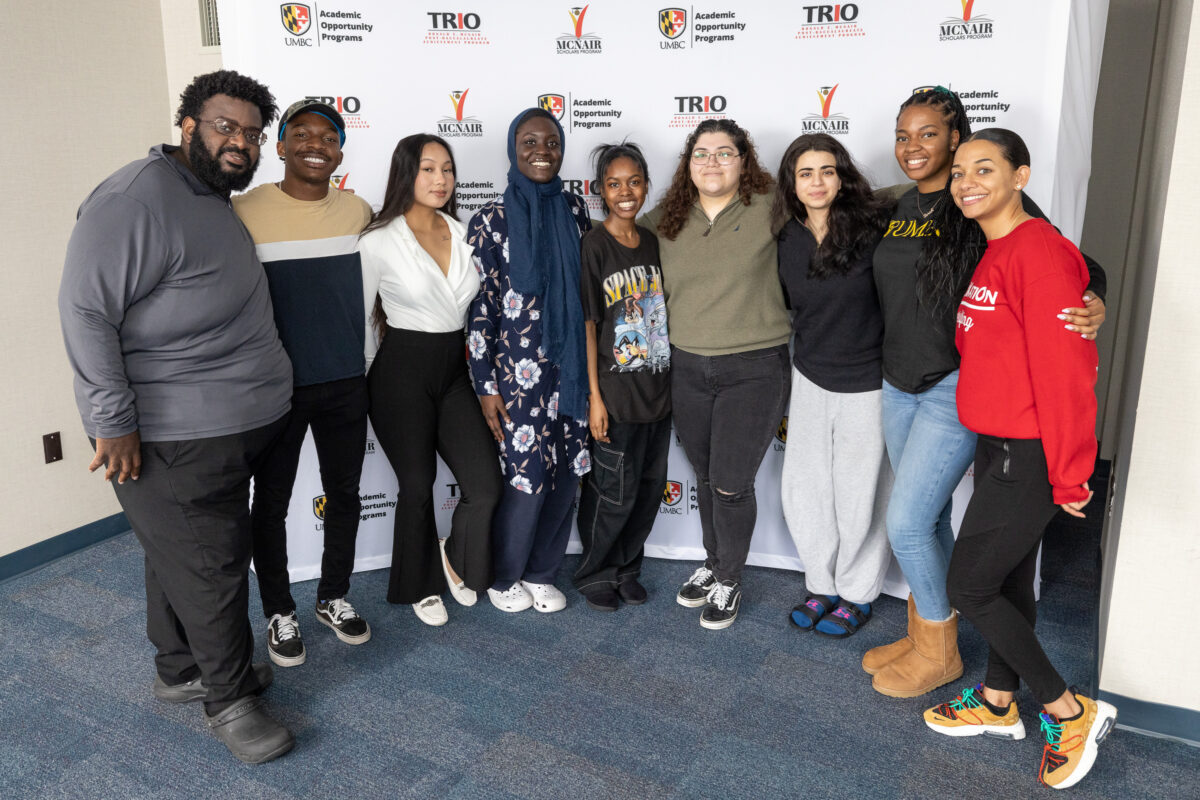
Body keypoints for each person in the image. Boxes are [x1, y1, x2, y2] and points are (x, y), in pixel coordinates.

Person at [58, 70, 295, 763]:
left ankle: (180, 668)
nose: (240, 143)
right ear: (187, 125)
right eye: (225, 126)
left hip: (237, 422)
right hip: (171, 436)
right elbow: (84, 312)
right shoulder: (135, 199)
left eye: (251, 133)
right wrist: (112, 423)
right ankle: (229, 702)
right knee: (212, 563)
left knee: (179, 555)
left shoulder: (211, 197)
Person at [863, 86, 1108, 698]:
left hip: (953, 387)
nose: (912, 146)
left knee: (909, 524)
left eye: (927, 134)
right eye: (903, 134)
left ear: (955, 136)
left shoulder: (981, 205)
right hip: (897, 384)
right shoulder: (897, 206)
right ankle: (928, 635)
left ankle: (941, 649)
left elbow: (1071, 265)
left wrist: (1092, 298)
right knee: (932, 520)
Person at [923, 128, 1117, 790]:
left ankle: (1067, 709)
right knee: (1004, 581)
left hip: (1031, 454)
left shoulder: (1037, 252)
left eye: (984, 169)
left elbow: (1068, 374)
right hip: (1001, 444)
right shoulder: (999, 247)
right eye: (958, 172)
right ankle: (998, 703)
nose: (966, 181)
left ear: (1021, 176)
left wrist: (1071, 472)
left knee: (969, 585)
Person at [235, 99, 373, 667]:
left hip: (345, 380)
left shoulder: (359, 210)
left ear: (340, 150)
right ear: (281, 145)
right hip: (276, 388)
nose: (317, 144)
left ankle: (333, 597)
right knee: (269, 502)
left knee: (344, 495)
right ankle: (278, 610)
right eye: (303, 134)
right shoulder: (244, 210)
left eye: (329, 136)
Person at [642, 119, 791, 630]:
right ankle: (712, 562)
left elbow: (849, 203)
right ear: (688, 163)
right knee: (705, 478)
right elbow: (617, 238)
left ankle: (730, 577)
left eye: (724, 152)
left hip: (754, 366)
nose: (712, 162)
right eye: (701, 153)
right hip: (685, 365)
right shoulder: (667, 216)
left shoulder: (773, 204)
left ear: (744, 159)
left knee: (730, 483)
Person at [358, 134, 502, 625]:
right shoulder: (377, 241)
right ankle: (418, 585)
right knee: (417, 485)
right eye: (427, 169)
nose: (440, 179)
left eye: (447, 169)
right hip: (401, 371)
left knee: (484, 485)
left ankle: (456, 558)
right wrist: (362, 386)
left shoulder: (464, 233)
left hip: (455, 370)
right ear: (406, 174)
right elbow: (361, 325)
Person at [466, 108, 593, 613]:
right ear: (513, 151)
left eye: (551, 142)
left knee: (566, 472)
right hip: (516, 377)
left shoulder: (577, 211)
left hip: (571, 370)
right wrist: (484, 385)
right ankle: (505, 576)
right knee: (525, 476)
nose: (541, 151)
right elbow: (481, 311)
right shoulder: (491, 222)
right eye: (529, 142)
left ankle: (543, 571)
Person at [772, 134, 893, 637]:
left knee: (860, 492)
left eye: (827, 170)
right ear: (792, 183)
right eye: (806, 173)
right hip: (810, 377)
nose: (817, 182)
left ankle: (856, 592)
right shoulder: (785, 237)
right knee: (805, 490)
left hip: (868, 381)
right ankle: (820, 583)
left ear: (842, 175)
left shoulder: (875, 226)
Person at [574, 142, 669, 612]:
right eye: (614, 184)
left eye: (634, 182)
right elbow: (589, 326)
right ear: (600, 192)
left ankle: (628, 567)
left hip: (658, 391)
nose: (625, 192)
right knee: (613, 492)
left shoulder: (652, 240)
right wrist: (594, 396)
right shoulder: (594, 244)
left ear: (646, 186)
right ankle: (596, 572)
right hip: (615, 393)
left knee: (648, 491)